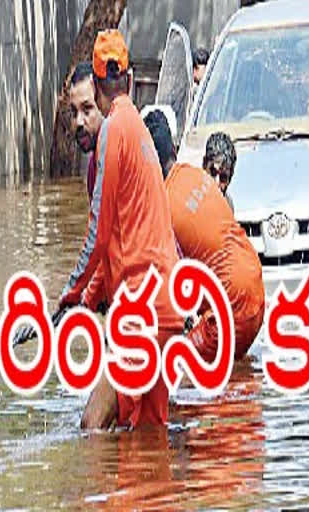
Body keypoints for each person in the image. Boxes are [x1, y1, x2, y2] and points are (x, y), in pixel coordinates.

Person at [58, 29, 184, 430]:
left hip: (141, 312)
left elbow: (98, 232)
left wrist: (70, 292)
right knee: (146, 437)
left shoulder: (115, 129)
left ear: (96, 87)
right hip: (163, 307)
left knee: (93, 428)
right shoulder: (140, 130)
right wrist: (86, 298)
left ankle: (101, 495)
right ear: (129, 79)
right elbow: (122, 237)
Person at [143, 110, 265, 363]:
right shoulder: (196, 178)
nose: (218, 181)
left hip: (230, 308)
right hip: (257, 294)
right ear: (174, 150)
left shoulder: (160, 206)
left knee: (170, 373)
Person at [69, 61, 104, 202]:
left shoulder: (116, 158)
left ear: (103, 104)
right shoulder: (93, 167)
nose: (78, 121)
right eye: (73, 112)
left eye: (87, 109)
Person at [203, 132, 237, 212]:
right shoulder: (189, 201)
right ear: (204, 165)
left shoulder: (227, 206)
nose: (216, 183)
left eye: (223, 178)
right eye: (213, 173)